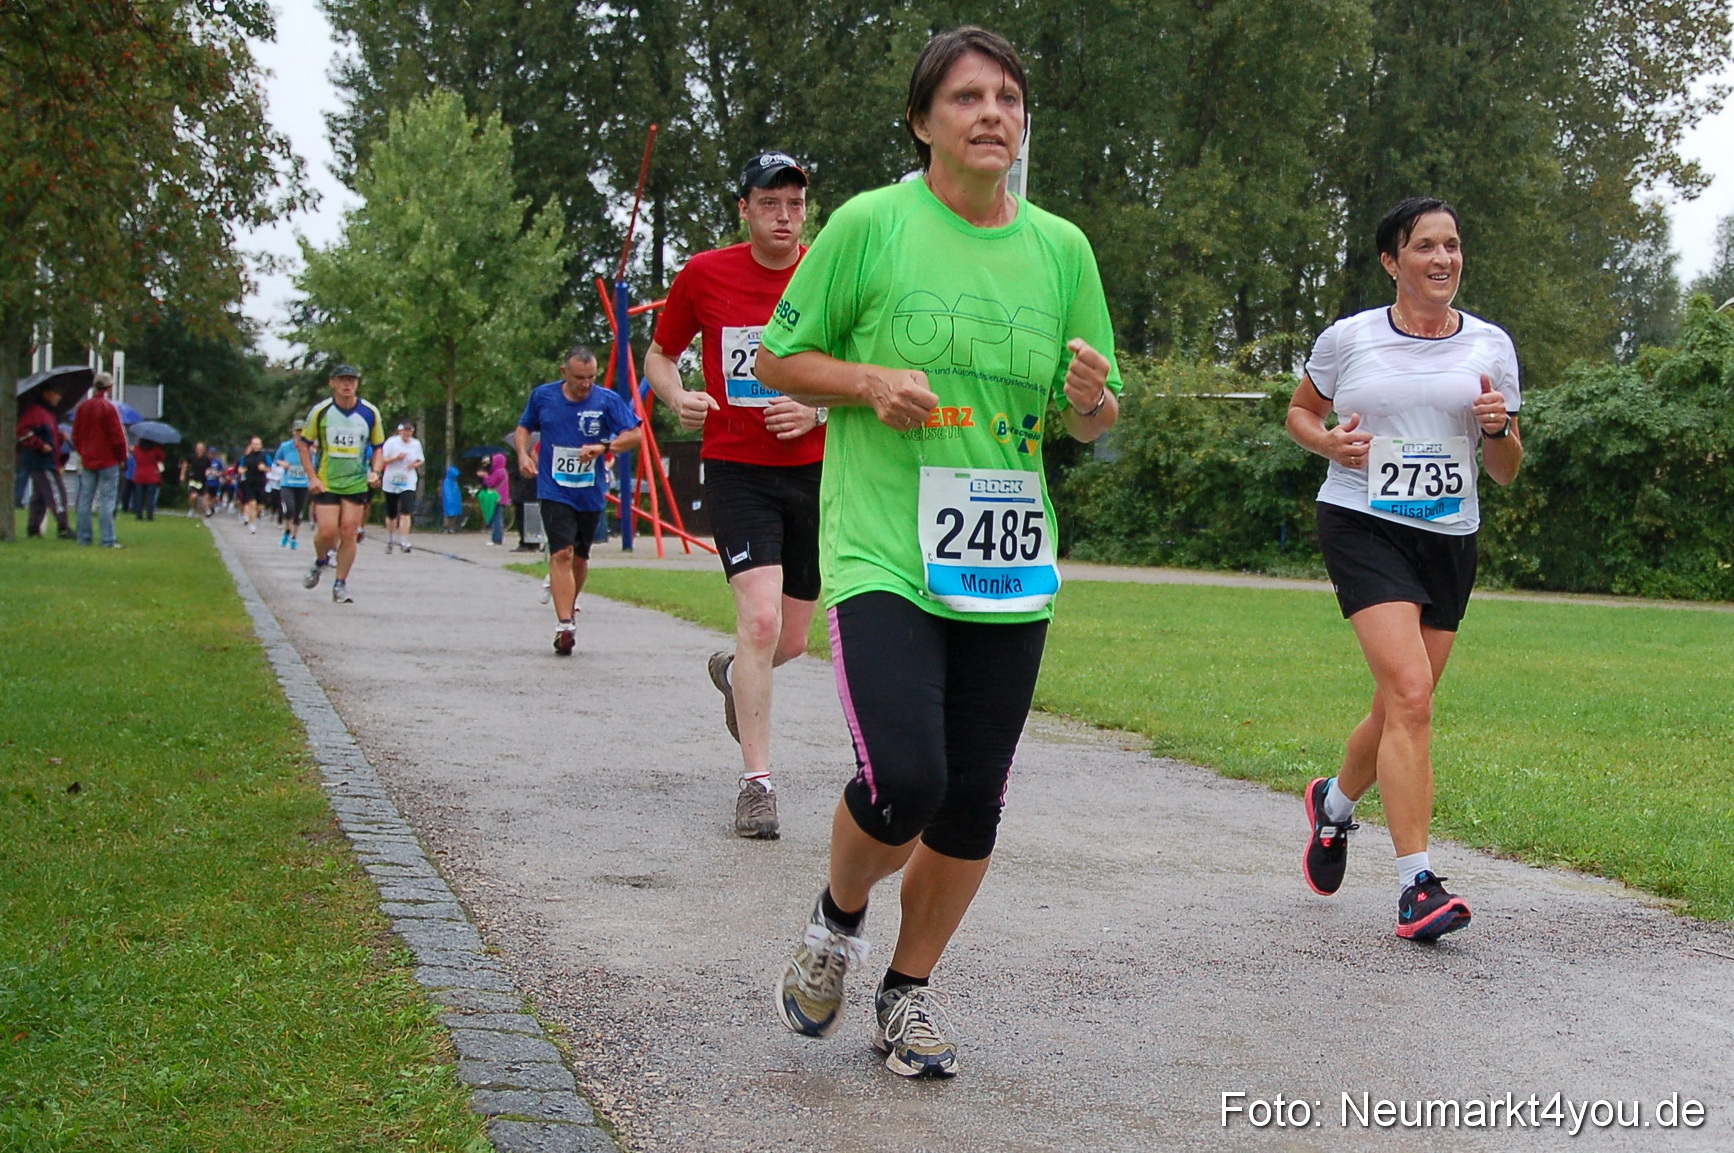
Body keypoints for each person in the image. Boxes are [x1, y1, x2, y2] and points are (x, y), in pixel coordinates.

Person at [754, 26, 1121, 1079]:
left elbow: (1091, 417)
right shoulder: (872, 225)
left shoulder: (1063, 249)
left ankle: (906, 991)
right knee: (906, 776)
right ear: (923, 121)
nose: (993, 113)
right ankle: (837, 919)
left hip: (1008, 561)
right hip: (884, 550)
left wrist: (1090, 400)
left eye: (1008, 97)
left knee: (972, 800)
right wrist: (867, 381)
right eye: (967, 97)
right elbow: (779, 355)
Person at [1285, 196, 1523, 942]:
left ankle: (1333, 804)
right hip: (1362, 522)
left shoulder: (1490, 345)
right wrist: (1328, 444)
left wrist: (1499, 429)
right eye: (1425, 246)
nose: (1443, 258)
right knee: (1412, 694)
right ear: (1392, 261)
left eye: (1452, 245)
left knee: (1399, 705)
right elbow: (1299, 414)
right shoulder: (1349, 338)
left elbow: (1507, 469)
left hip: (1448, 536)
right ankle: (1417, 884)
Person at [645, 150, 826, 840]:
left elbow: (865, 367)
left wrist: (816, 409)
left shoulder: (827, 271)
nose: (784, 217)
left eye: (795, 204)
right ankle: (757, 785)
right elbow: (659, 354)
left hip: (812, 469)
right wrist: (677, 396)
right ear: (744, 208)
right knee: (759, 621)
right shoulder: (705, 273)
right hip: (736, 468)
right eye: (770, 203)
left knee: (792, 639)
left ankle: (731, 674)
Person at [515, 346, 642, 655]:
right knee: (562, 552)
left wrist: (604, 447)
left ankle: (568, 605)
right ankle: (565, 625)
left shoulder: (606, 401)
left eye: (591, 377)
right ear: (564, 373)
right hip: (553, 489)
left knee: (580, 558)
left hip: (589, 491)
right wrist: (523, 455)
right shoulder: (543, 397)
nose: (586, 384)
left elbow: (635, 434)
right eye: (579, 378)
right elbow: (524, 427)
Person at [298, 365, 385, 603]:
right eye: (342, 380)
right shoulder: (322, 411)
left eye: (352, 381)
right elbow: (303, 444)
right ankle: (320, 561)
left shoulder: (370, 412)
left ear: (358, 384)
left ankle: (340, 584)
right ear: (333, 383)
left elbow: (379, 447)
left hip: (356, 481)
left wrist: (376, 472)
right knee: (327, 531)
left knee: (349, 531)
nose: (347, 385)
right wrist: (312, 477)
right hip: (327, 481)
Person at [72, 372, 129, 548]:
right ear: (110, 387)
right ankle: (107, 539)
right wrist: (122, 457)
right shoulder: (110, 408)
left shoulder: (83, 408)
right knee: (107, 500)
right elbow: (118, 437)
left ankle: (84, 537)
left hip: (88, 459)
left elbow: (76, 435)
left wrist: (83, 451)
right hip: (108, 460)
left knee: (85, 499)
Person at [18, 384, 74, 539]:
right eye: (56, 393)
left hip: (47, 460)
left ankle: (33, 528)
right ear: (46, 394)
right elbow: (22, 431)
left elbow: (51, 437)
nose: (59, 397)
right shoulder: (36, 412)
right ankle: (63, 527)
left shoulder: (48, 414)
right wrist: (39, 445)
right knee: (57, 492)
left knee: (40, 496)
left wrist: (60, 437)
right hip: (42, 461)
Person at [380, 420, 426, 554]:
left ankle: (405, 541)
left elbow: (420, 459)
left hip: (408, 481)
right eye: (405, 431)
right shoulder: (391, 442)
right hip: (391, 480)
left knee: (406, 511)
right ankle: (390, 538)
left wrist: (415, 464)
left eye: (410, 431)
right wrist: (396, 458)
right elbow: (382, 460)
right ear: (400, 431)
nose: (407, 434)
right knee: (392, 513)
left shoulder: (416, 444)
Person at [275, 420, 310, 548]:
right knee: (289, 508)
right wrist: (282, 463)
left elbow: (315, 463)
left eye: (302, 431)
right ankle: (286, 531)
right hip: (288, 483)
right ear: (293, 432)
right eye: (297, 431)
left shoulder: (308, 447)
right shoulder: (285, 446)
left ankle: (294, 537)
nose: (299, 434)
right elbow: (276, 460)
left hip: (303, 484)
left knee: (298, 512)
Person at [238, 435, 270, 533]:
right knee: (252, 503)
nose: (256, 446)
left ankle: (258, 514)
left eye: (258, 444)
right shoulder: (246, 457)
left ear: (261, 445)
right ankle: (252, 524)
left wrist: (264, 468)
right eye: (254, 444)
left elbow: (270, 467)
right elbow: (241, 467)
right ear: (251, 445)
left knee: (260, 506)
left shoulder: (265, 456)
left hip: (260, 483)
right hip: (249, 483)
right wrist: (241, 470)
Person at [476, 451, 509, 545]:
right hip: (501, 497)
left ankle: (497, 539)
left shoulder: (498, 472)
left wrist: (485, 476)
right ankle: (496, 538)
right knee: (497, 518)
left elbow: (490, 483)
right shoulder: (503, 471)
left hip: (496, 497)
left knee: (496, 519)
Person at [131, 438, 166, 520]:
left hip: (139, 475)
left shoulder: (137, 449)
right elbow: (162, 458)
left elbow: (135, 457)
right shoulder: (156, 449)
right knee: (150, 497)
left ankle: (139, 515)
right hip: (152, 476)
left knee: (139, 496)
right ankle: (150, 515)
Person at [181, 442, 210, 517]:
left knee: (206, 496)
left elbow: (209, 468)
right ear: (196, 449)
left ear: (204, 450)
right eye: (198, 449)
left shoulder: (206, 459)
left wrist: (208, 472)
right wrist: (182, 474)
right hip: (193, 480)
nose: (200, 451)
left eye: (202, 449)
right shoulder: (191, 457)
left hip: (203, 480)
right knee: (194, 496)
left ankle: (207, 510)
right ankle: (192, 508)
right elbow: (185, 464)